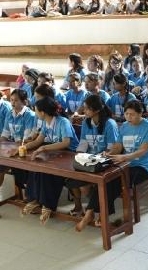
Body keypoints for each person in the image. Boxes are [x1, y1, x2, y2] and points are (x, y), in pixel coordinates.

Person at [19, 97, 79, 225]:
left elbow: (66, 142)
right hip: (55, 154)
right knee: (35, 167)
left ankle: (48, 205)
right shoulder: (46, 123)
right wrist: (24, 147)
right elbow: (38, 141)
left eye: (36, 110)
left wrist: (44, 148)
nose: (35, 113)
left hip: (69, 154)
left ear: (42, 112)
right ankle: (34, 199)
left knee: (48, 172)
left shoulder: (63, 122)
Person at [69, 95, 120, 230]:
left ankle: (97, 213)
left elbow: (112, 149)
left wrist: (98, 157)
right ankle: (99, 210)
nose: (84, 111)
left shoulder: (110, 124)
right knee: (80, 185)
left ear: (96, 110)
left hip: (105, 162)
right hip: (89, 161)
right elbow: (83, 143)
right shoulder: (86, 122)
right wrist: (79, 156)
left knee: (101, 183)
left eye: (86, 109)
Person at [0, 89, 36, 192]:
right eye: (11, 100)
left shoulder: (30, 115)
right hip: (12, 148)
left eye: (16, 100)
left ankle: (28, 194)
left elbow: (27, 139)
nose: (12, 103)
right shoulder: (10, 113)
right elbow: (5, 134)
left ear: (24, 102)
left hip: (26, 149)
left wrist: (14, 148)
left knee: (19, 168)